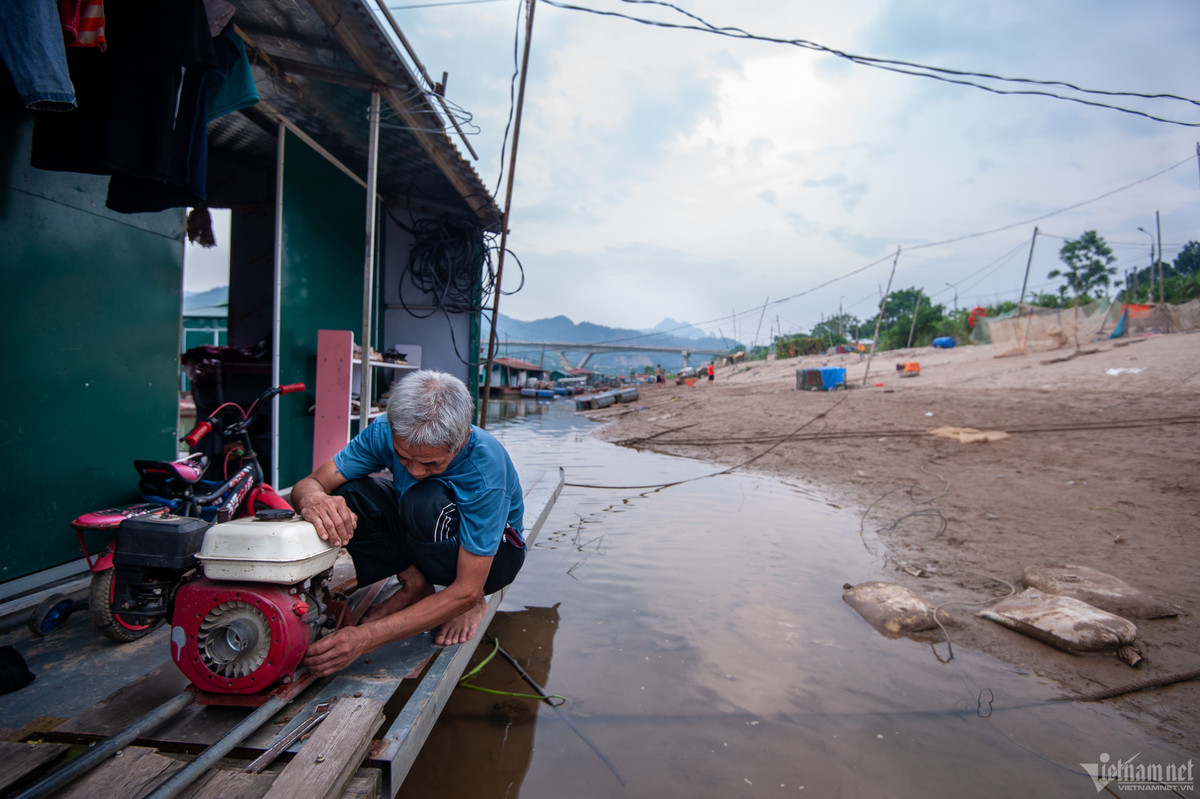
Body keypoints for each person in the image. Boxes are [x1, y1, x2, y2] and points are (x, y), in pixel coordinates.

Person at [292, 369, 525, 677]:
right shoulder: (383, 431)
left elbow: (465, 588)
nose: (414, 470)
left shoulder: (484, 469)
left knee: (423, 500)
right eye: (404, 458)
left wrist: (367, 638)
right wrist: (314, 501)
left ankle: (474, 605)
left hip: (495, 558)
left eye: (432, 463)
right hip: (426, 533)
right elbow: (310, 483)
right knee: (349, 493)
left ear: (463, 439)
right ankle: (415, 583)